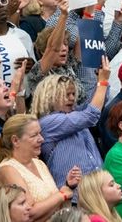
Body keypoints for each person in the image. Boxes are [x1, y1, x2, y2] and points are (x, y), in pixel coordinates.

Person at [31, 56, 108, 185]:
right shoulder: (48, 122)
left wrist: (99, 78)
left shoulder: (76, 113)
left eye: (73, 94)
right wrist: (103, 82)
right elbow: (91, 114)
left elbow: (96, 104)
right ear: (49, 96)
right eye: (67, 94)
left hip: (96, 193)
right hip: (73, 197)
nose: (72, 98)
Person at [0, 114, 81, 221]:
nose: (41, 139)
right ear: (15, 141)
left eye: (40, 133)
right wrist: (62, 195)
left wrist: (68, 187)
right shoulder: (7, 169)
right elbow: (29, 213)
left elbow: (56, 208)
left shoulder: (39, 164)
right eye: (34, 135)